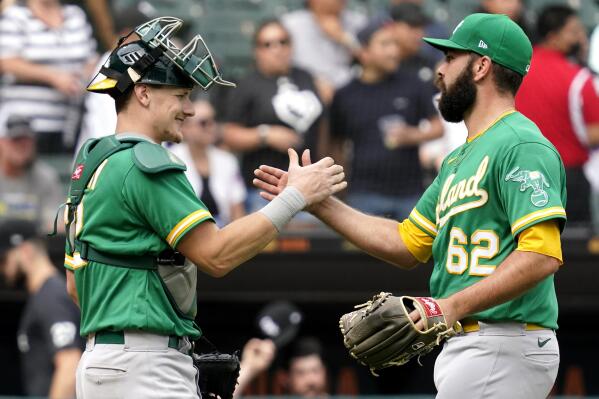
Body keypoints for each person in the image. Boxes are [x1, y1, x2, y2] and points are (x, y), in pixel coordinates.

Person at [255, 13, 566, 398]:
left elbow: (541, 255)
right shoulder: (458, 159)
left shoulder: (521, 145)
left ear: (482, 66)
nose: (441, 70)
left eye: (452, 59)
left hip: (503, 338)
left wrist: (451, 305)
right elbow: (407, 243)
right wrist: (317, 203)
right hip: (476, 342)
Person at [64, 16, 346, 399]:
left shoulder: (93, 159)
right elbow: (216, 255)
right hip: (145, 364)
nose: (191, 109)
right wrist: (295, 197)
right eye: (181, 96)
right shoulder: (146, 161)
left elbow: (75, 287)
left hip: (101, 362)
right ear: (143, 93)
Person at [329, 16, 442, 219]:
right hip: (363, 193)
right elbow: (336, 144)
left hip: (410, 193)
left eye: (395, 44)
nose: (393, 51)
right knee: (361, 252)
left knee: (413, 250)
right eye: (384, 44)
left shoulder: (413, 84)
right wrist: (341, 185)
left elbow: (438, 128)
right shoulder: (345, 94)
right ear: (363, 52)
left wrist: (412, 135)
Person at [222, 19, 324, 213]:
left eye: (283, 42)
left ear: (292, 46)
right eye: (267, 44)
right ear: (257, 51)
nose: (277, 49)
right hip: (267, 191)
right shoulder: (248, 84)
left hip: (309, 188)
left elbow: (323, 125)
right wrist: (265, 135)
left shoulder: (306, 77)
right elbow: (228, 134)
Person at [515, 5, 599, 225]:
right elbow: (593, 134)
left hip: (521, 176)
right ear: (552, 36)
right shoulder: (579, 78)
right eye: (573, 32)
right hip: (567, 177)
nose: (581, 38)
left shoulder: (517, 70)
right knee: (576, 253)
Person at [0, 0, 97, 153]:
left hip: (70, 125)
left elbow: (91, 60)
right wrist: (53, 77)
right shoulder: (16, 15)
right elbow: (6, 62)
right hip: (25, 125)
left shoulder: (75, 15)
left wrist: (82, 78)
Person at [0, 219, 83, 399]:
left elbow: (69, 363)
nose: (2, 268)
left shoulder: (51, 297)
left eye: (4, 259)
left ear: (25, 251)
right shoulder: (44, 295)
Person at [170, 99, 246, 226]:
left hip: (223, 233)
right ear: (185, 127)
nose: (212, 127)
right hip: (184, 233)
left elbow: (237, 211)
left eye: (213, 120)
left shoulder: (227, 160)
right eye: (204, 123)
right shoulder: (170, 159)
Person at [281, 0, 367, 102]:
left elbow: (375, 59)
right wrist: (310, 83)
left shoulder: (358, 21)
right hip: (306, 95)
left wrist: (344, 38)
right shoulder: (291, 24)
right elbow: (279, 64)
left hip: (353, 94)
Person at [0, 115, 64, 233]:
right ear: (2, 143)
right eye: (16, 140)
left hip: (34, 243)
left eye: (27, 141)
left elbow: (56, 224)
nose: (22, 146)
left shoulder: (45, 177)